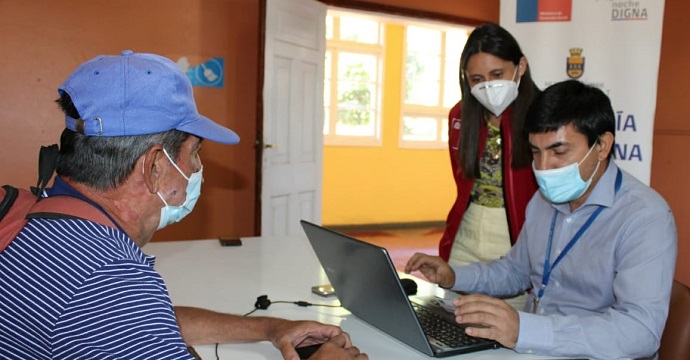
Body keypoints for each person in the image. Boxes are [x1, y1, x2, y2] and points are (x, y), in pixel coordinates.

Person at [0, 51, 367, 360]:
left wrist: (271, 327)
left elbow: (141, 323)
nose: (196, 169)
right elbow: (121, 309)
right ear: (155, 166)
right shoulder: (107, 279)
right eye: (195, 153)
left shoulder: (33, 216)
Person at [406, 80, 677, 359]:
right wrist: (454, 276)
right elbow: (515, 271)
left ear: (602, 146)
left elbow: (640, 331)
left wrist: (528, 330)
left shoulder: (645, 217)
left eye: (559, 152)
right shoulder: (543, 201)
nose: (544, 167)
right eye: (536, 152)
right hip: (533, 349)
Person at [439, 23, 540, 309]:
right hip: (466, 236)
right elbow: (462, 181)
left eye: (497, 74)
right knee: (452, 322)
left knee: (508, 333)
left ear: (520, 66)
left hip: (517, 243)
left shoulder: (543, 114)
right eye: (476, 79)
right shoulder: (460, 115)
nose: (488, 85)